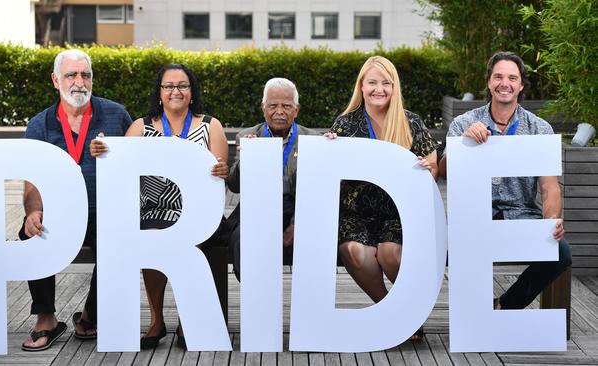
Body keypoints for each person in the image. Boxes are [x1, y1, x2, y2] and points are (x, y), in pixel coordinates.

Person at [91, 63, 229, 349]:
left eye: (182, 85)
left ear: (192, 92)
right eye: (168, 86)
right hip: (151, 210)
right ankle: (157, 319)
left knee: (184, 238)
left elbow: (220, 173)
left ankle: (186, 320)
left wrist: (221, 170)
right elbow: (120, 164)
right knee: (150, 234)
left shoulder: (210, 125)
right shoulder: (141, 127)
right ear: (160, 92)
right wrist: (103, 150)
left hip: (197, 214)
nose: (175, 91)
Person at [439, 51, 571, 309]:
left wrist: (550, 222)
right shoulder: (464, 123)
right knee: (431, 249)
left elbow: (549, 186)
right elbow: (444, 171)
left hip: (520, 215)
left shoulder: (539, 129)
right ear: (489, 81)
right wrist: (463, 145)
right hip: (474, 217)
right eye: (498, 76)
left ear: (521, 85)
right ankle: (468, 312)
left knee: (561, 252)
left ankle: (504, 306)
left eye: (512, 78)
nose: (504, 83)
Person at [20, 49, 133, 351]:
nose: (79, 82)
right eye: (71, 75)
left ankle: (89, 315)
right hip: (60, 214)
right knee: (28, 231)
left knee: (120, 238)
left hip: (103, 212)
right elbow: (32, 182)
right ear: (56, 80)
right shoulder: (39, 124)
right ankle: (46, 318)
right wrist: (34, 211)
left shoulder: (116, 114)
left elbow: (137, 162)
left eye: (86, 75)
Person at [327, 56, 437, 341]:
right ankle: (393, 311)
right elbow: (329, 172)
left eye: (386, 83)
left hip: (398, 213)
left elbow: (433, 168)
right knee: (354, 251)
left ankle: (410, 311)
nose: (379, 89)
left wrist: (429, 168)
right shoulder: (345, 124)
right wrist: (328, 151)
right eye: (372, 82)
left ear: (394, 86)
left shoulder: (411, 122)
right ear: (361, 86)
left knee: (391, 253)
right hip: (356, 214)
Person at [226, 77, 319, 280]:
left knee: (314, 238)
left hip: (296, 207)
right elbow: (234, 186)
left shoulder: (312, 140)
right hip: (256, 209)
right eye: (272, 105)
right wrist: (248, 158)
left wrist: (298, 222)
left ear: (297, 110)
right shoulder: (248, 136)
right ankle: (254, 294)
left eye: (286, 106)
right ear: (263, 108)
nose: (279, 112)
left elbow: (316, 191)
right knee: (242, 239)